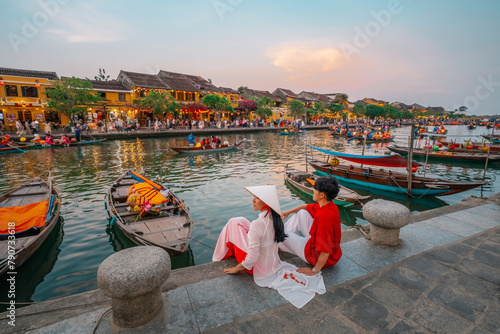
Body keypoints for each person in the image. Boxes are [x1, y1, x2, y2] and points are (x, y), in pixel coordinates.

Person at [213, 185, 325, 308]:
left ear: (266, 203)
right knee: (240, 220)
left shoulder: (257, 224)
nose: (253, 201)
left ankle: (217, 258)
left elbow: (252, 258)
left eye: (257, 198)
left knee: (233, 223)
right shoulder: (277, 219)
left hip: (256, 268)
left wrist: (237, 269)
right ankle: (221, 255)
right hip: (273, 264)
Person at [278, 177, 342, 276]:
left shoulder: (323, 217)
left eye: (315, 189)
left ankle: (279, 240)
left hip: (314, 255)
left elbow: (325, 251)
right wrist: (288, 212)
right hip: (328, 250)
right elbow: (306, 207)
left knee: (278, 232)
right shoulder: (329, 205)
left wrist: (314, 271)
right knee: (302, 213)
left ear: (322, 195)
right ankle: (281, 241)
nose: (313, 191)